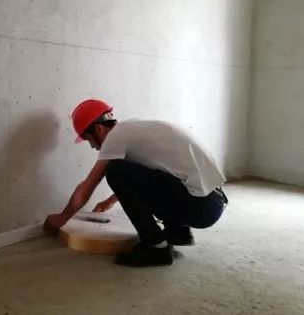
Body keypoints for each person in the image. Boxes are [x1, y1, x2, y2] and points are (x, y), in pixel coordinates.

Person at [44, 99, 228, 267]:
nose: (92, 146)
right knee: (133, 171)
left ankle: (156, 247)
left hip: (199, 207)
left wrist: (61, 219)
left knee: (114, 170)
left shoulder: (114, 138)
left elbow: (86, 188)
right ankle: (178, 232)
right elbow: (147, 180)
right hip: (213, 202)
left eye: (88, 139)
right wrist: (110, 201)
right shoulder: (134, 130)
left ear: (99, 129)